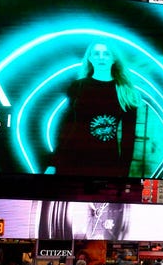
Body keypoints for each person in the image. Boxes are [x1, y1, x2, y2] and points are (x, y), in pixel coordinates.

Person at [45, 42, 142, 178]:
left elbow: (129, 137)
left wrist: (123, 173)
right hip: (70, 160)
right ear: (90, 58)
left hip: (105, 164)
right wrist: (53, 163)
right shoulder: (78, 86)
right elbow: (66, 128)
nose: (101, 57)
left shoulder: (126, 92)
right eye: (96, 53)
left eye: (106, 53)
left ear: (114, 58)